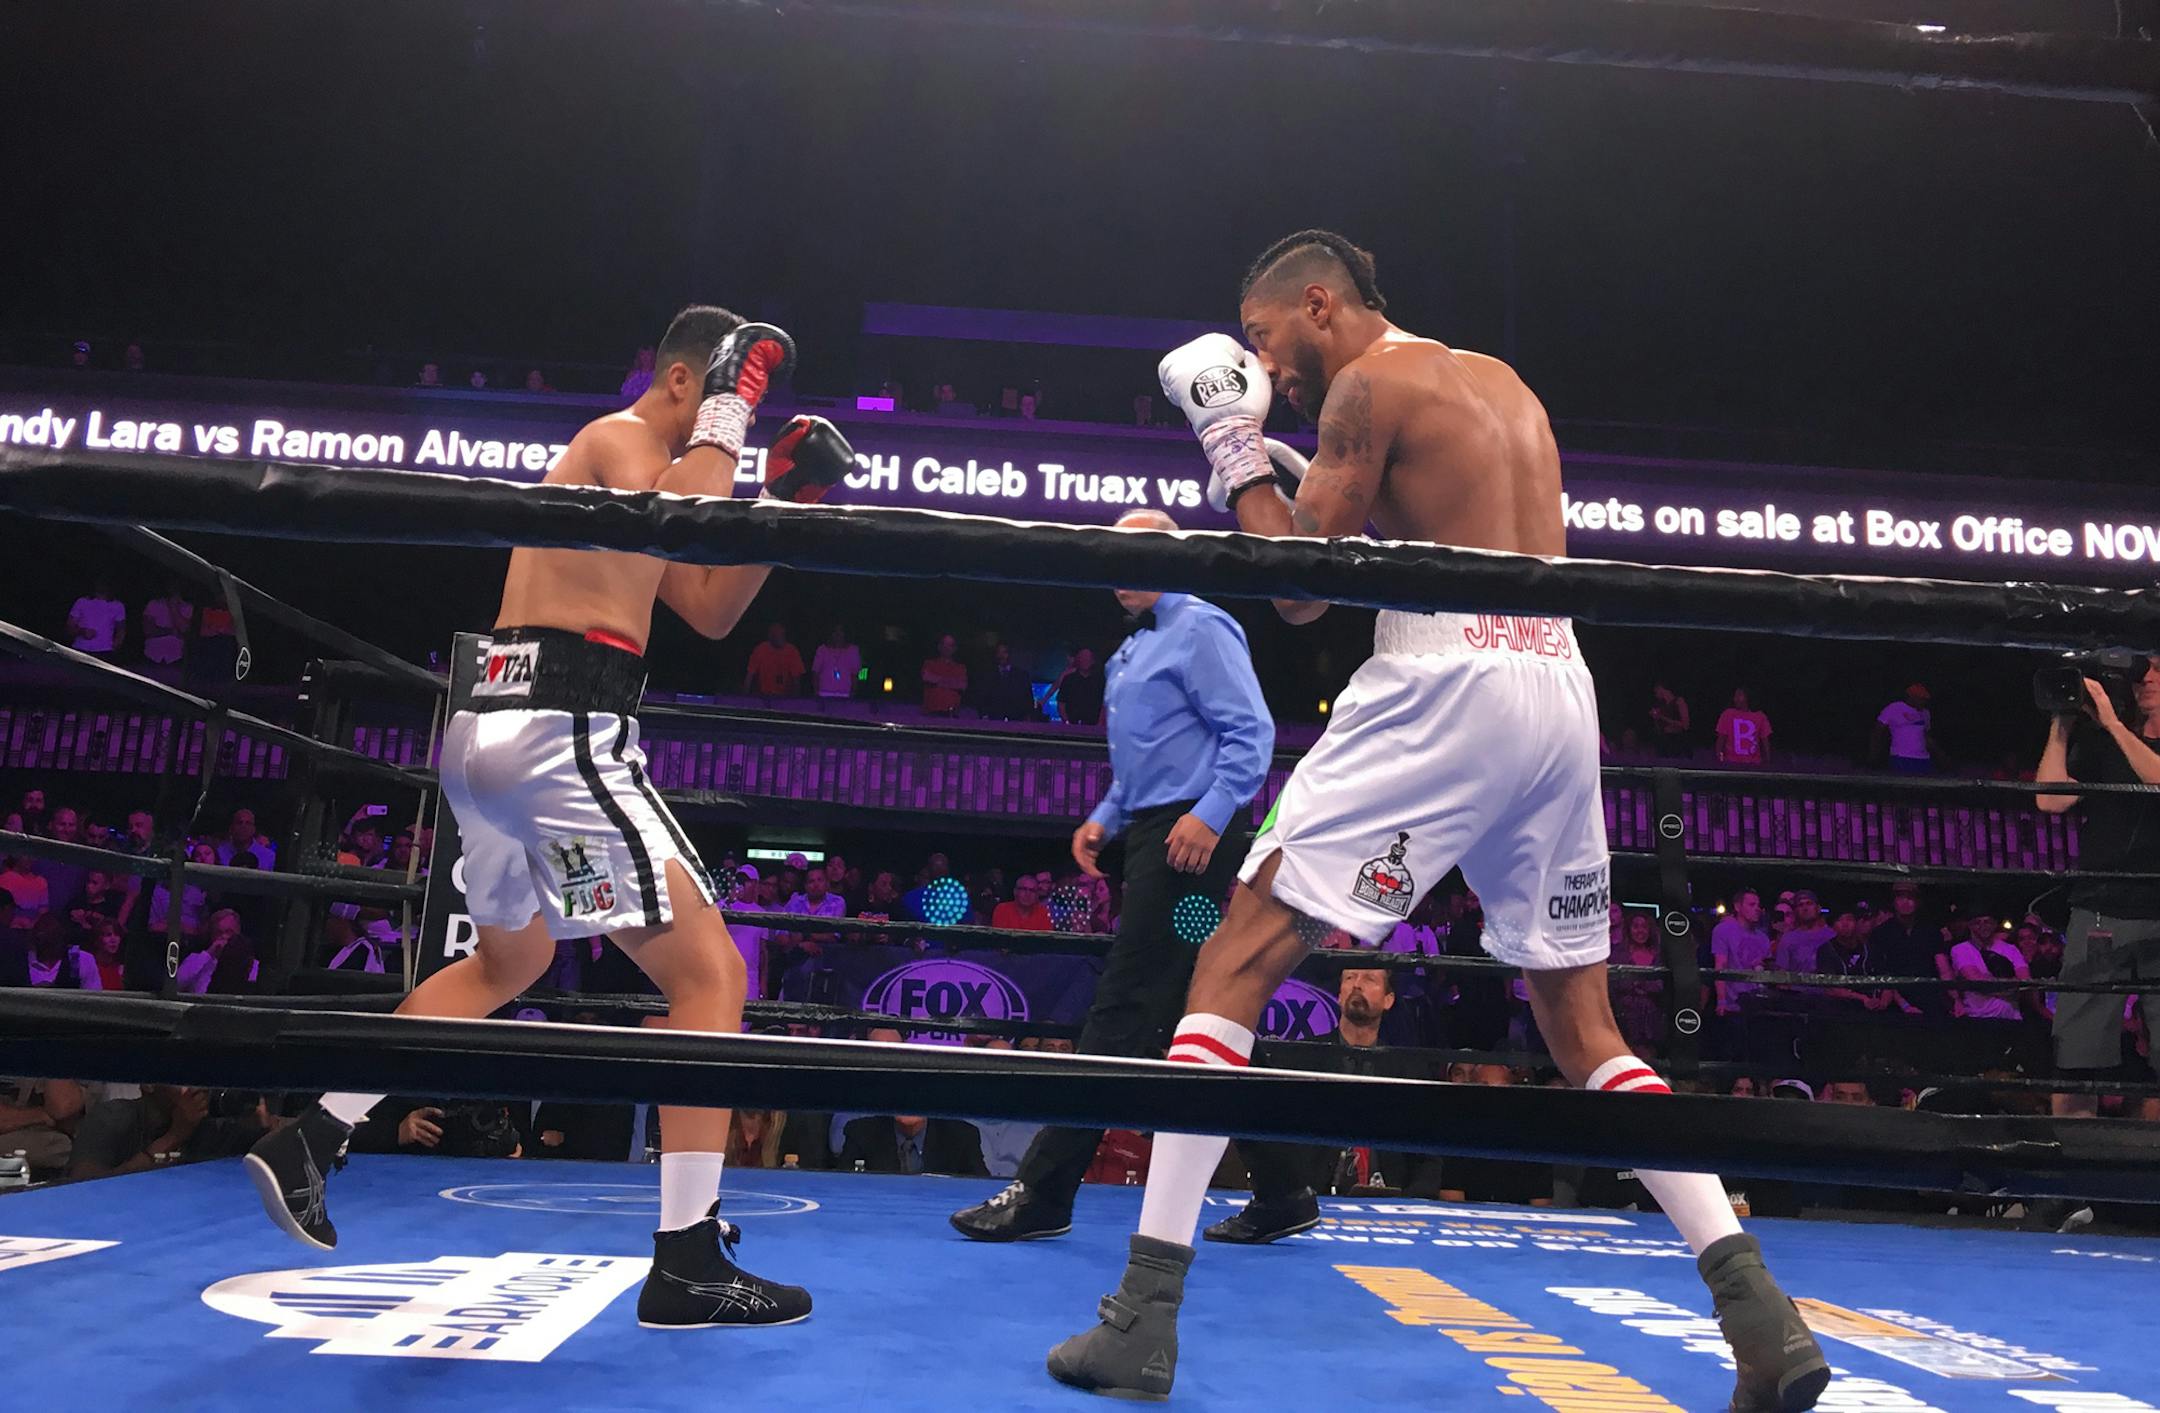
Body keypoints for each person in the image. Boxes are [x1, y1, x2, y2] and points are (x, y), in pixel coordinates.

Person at [1047, 232, 1825, 1409]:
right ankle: (1758, 1313)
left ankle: (1142, 1315)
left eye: (1264, 340)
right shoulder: (1501, 382)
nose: (1269, 368)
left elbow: (1302, 584)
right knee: (1583, 1024)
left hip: (1443, 678)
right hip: (1558, 684)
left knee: (1230, 958)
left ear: (1318, 303)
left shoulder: (1366, 386)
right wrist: (1274, 454)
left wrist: (1227, 445)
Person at [244, 306, 854, 1331]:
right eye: (718, 392)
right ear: (679, 382)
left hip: (495, 737)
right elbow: (685, 520)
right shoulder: (617, 441)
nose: (728, 415)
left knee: (506, 965)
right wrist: (732, 413)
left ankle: (316, 1130)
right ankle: (690, 1259)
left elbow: (706, 603)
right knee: (710, 973)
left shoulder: (647, 487)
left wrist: (783, 501)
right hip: (562, 728)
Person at [953, 508, 1274, 1244]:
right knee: (1195, 1006)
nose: (1120, 568)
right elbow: (1139, 764)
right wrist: (1105, 814)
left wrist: (1214, 811)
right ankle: (1285, 1182)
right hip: (1156, 837)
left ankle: (1044, 1188)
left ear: (1171, 554)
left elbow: (1250, 730)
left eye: (1137, 553)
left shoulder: (1201, 625)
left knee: (1127, 999)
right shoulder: (1132, 651)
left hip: (1193, 846)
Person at [2036, 655, 2160, 1118]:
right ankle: (2069, 1187)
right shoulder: (2107, 743)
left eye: (2157, 669)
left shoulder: (2117, 736)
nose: (2144, 678)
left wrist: (2110, 721)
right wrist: (2062, 723)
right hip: (2101, 914)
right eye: (2140, 670)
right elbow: (2051, 800)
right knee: (2077, 1060)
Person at [1875, 683, 1935, 774]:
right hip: (1901, 757)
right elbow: (1878, 730)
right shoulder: (1895, 708)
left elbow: (1926, 737)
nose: (1923, 702)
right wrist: (1876, 752)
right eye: (1921, 699)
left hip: (1923, 759)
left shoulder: (1925, 713)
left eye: (1925, 699)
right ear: (1911, 697)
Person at [65, 577, 128, 658]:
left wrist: (116, 645)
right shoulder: (82, 602)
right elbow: (69, 627)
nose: (102, 586)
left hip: (105, 652)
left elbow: (121, 629)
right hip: (80, 649)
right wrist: (82, 631)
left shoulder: (117, 606)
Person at [744, 622, 805, 698]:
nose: (781, 637)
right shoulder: (760, 650)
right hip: (763, 697)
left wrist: (795, 701)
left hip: (785, 698)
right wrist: (745, 698)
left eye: (782, 635)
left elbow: (796, 681)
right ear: (770, 636)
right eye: (778, 635)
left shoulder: (792, 651)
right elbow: (749, 676)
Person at [1715, 688, 1772, 767]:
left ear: (1748, 697)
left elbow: (1765, 740)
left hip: (1754, 764)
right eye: (1735, 696)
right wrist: (1719, 759)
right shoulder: (1727, 714)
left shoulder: (1760, 716)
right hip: (1731, 763)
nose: (1736, 699)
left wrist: (1768, 761)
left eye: (1739, 695)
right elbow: (1721, 739)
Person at [1053, 647, 1105, 725]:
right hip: (1071, 725)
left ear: (1092, 661)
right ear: (1078, 660)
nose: (1085, 661)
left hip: (1093, 725)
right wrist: (1066, 722)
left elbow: (1104, 705)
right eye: (1083, 658)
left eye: (1088, 659)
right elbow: (1061, 703)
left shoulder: (1100, 681)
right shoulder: (1068, 679)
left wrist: (1099, 723)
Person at [921, 632, 968, 714]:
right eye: (944, 644)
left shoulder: (960, 668)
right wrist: (951, 683)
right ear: (939, 646)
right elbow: (927, 677)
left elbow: (962, 685)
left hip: (952, 714)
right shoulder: (929, 664)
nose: (947, 648)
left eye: (950, 645)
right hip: (931, 713)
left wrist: (938, 681)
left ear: (955, 648)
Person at [811, 625, 860, 701]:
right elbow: (815, 673)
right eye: (835, 632)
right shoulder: (822, 650)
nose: (838, 634)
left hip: (845, 695)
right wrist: (816, 693)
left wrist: (853, 693)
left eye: (840, 631)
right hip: (824, 695)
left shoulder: (853, 650)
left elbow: (855, 674)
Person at [1648, 681, 1691, 758]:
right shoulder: (1661, 705)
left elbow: (1685, 725)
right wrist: (1655, 718)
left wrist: (1662, 717)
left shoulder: (1679, 701)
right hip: (1664, 741)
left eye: (1656, 691)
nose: (1655, 694)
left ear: (1660, 688)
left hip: (1678, 741)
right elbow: (1659, 729)